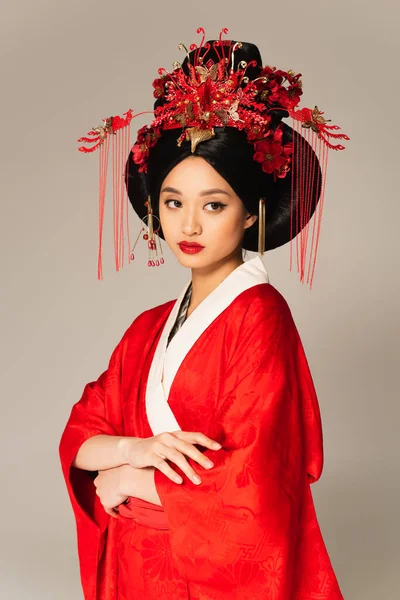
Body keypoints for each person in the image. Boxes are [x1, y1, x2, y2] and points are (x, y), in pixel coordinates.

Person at [59, 28, 348, 599]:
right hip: (133, 562)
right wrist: (130, 452)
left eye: (213, 205)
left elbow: (256, 480)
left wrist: (130, 478)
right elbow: (81, 437)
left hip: (205, 573)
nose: (188, 226)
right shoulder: (148, 328)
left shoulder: (260, 317)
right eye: (173, 203)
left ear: (249, 214)